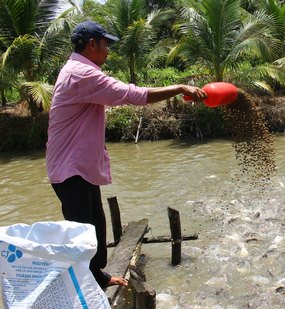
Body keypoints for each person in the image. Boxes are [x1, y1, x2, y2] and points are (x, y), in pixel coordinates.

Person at [46, 21, 206, 288]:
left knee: (95, 226)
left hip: (76, 167)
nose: (108, 50)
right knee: (83, 233)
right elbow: (132, 95)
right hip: (70, 168)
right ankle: (86, 288)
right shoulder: (82, 73)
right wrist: (179, 88)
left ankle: (97, 278)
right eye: (105, 44)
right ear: (91, 44)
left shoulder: (79, 70)